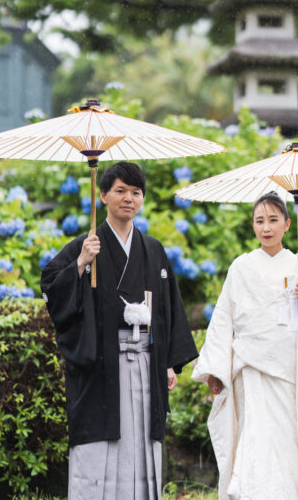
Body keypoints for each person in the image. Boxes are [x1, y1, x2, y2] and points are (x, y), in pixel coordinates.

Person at [41, 161, 198, 500]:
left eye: (136, 192)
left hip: (145, 361)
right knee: (101, 446)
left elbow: (169, 307)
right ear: (103, 195)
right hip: (101, 365)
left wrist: (169, 361)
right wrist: (81, 263)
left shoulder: (153, 249)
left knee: (141, 444)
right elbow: (52, 289)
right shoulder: (85, 245)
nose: (129, 198)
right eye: (121, 191)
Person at [192, 191, 298, 500]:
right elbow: (223, 320)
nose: (266, 227)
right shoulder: (240, 268)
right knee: (254, 435)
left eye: (273, 220)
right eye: (260, 221)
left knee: (286, 438)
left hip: (288, 369)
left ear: (287, 224)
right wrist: (217, 369)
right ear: (253, 226)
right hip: (250, 368)